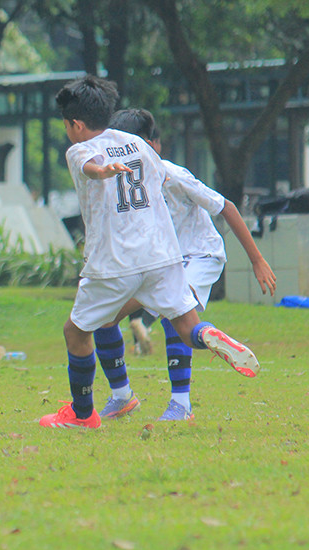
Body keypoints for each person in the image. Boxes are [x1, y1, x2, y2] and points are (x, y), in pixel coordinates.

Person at [39, 75, 260, 430]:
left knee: (76, 331)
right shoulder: (137, 145)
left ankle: (83, 415)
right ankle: (208, 336)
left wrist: (102, 170)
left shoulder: (79, 148)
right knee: (187, 327)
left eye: (67, 125)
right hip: (163, 257)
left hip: (114, 262)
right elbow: (159, 182)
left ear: (76, 124)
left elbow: (88, 167)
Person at [95, 108, 276, 421]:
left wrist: (257, 260)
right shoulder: (119, 182)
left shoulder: (173, 175)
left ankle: (181, 405)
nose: (128, 153)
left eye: (134, 145)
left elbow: (227, 208)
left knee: (173, 314)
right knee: (103, 318)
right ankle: (122, 395)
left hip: (199, 256)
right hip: (160, 265)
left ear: (155, 145)